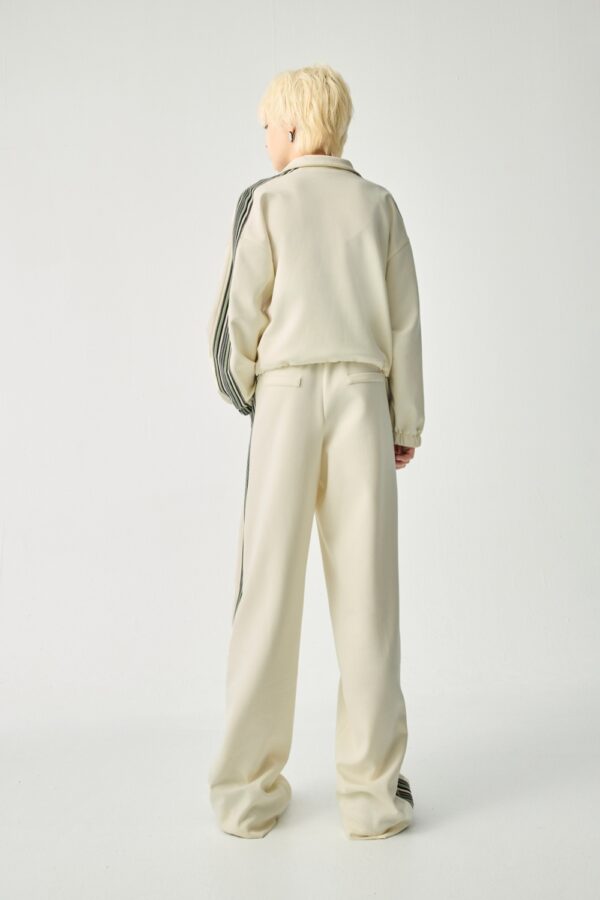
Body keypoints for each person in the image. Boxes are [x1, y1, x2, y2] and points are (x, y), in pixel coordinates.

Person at [206, 63, 425, 840]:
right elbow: (404, 321)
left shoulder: (266, 201)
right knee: (369, 598)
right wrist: (404, 422)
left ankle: (247, 793)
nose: (265, 138)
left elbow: (236, 320)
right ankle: (371, 797)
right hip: (364, 398)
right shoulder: (380, 205)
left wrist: (253, 397)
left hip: (289, 396)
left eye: (268, 125)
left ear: (294, 127)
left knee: (265, 592)